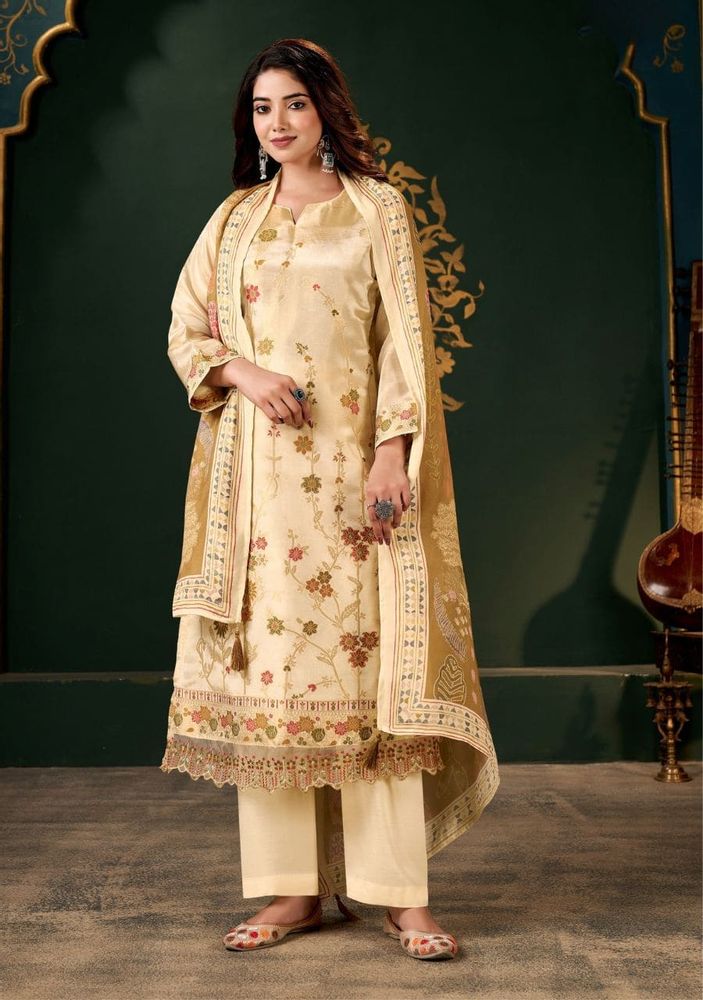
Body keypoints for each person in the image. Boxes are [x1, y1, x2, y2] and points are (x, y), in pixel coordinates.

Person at [160, 37, 499, 962]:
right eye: (262, 108)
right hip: (256, 493)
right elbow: (187, 328)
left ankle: (400, 897)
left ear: (325, 111)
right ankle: (292, 892)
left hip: (355, 484)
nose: (277, 123)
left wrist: (392, 453)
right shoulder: (234, 219)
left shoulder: (376, 207)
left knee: (368, 677)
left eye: (294, 104)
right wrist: (243, 371)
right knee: (273, 678)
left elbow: (403, 342)